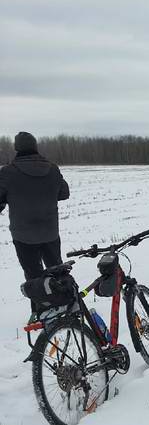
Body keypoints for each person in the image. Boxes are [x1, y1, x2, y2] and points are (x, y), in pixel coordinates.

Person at [0, 132, 70, 310]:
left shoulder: (8, 172)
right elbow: (64, 193)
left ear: (17, 148)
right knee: (58, 270)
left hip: (24, 235)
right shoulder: (52, 168)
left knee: (33, 276)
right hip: (50, 232)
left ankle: (42, 310)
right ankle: (66, 305)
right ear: (35, 146)